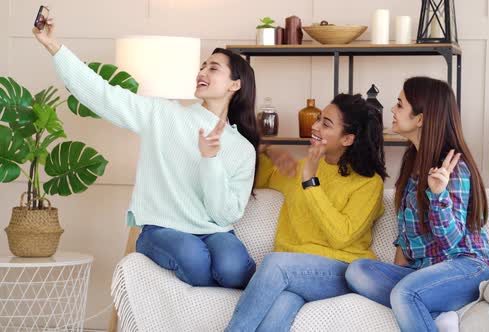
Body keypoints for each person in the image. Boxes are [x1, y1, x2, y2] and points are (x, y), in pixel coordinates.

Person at [33, 18, 259, 289]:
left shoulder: (242, 149)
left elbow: (225, 215)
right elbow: (102, 94)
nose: (202, 71)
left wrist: (210, 161)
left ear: (235, 85)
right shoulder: (163, 114)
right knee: (194, 258)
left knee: (233, 268)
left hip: (214, 231)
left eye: (213, 68)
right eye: (202, 66)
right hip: (162, 228)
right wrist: (53, 46)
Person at [225, 94, 388, 332]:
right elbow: (253, 176)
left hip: (341, 270)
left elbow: (341, 236)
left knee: (275, 264)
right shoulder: (304, 166)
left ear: (348, 138)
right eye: (319, 119)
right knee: (279, 309)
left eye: (326, 123)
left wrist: (311, 182)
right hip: (294, 273)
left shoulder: (368, 183)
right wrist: (270, 151)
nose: (314, 126)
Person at [345, 77, 489, 332]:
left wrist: (438, 196)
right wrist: (395, 272)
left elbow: (451, 241)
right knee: (357, 271)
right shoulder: (412, 161)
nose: (392, 110)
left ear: (421, 118)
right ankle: (435, 313)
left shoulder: (453, 167)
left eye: (400, 105)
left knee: (404, 293)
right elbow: (405, 237)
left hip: (465, 267)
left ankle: (422, 304)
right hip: (422, 272)